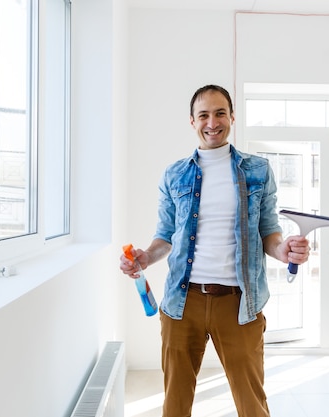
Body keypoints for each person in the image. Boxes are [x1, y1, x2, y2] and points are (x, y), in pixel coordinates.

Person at [119, 84, 310, 417]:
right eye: (203, 115)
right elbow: (165, 234)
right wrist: (146, 256)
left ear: (232, 117)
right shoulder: (174, 174)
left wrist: (285, 251)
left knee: (252, 405)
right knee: (175, 404)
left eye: (220, 113)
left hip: (239, 304)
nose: (212, 122)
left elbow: (269, 232)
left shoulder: (258, 171)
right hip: (182, 302)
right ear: (192, 121)